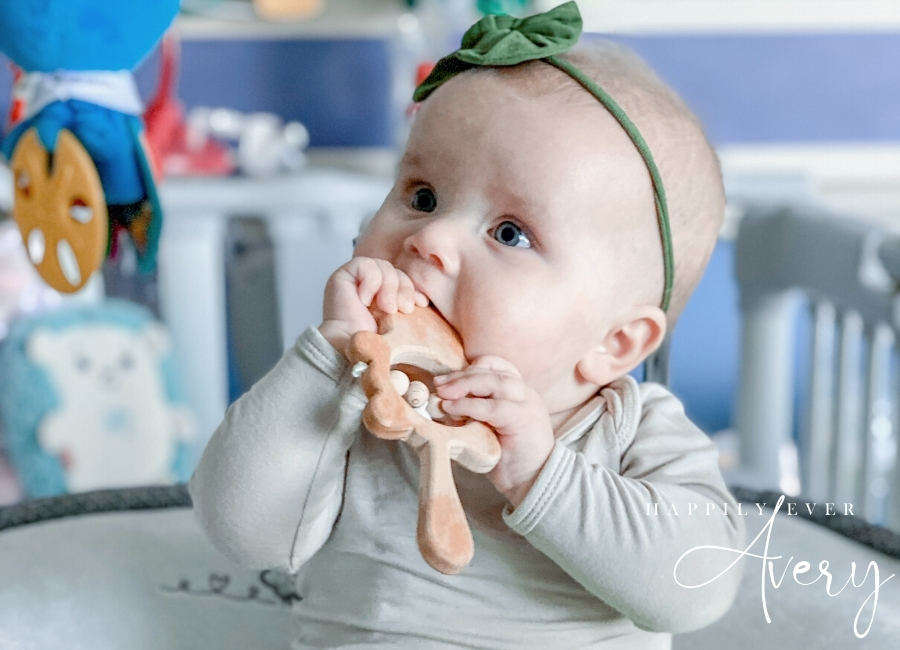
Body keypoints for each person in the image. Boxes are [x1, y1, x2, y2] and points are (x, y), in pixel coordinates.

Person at [190, 3, 745, 648]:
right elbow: (240, 530)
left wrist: (542, 475)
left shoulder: (632, 433)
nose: (430, 239)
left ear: (615, 343)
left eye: (510, 233)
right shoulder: (356, 405)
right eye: (422, 196)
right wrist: (333, 358)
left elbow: (699, 584)